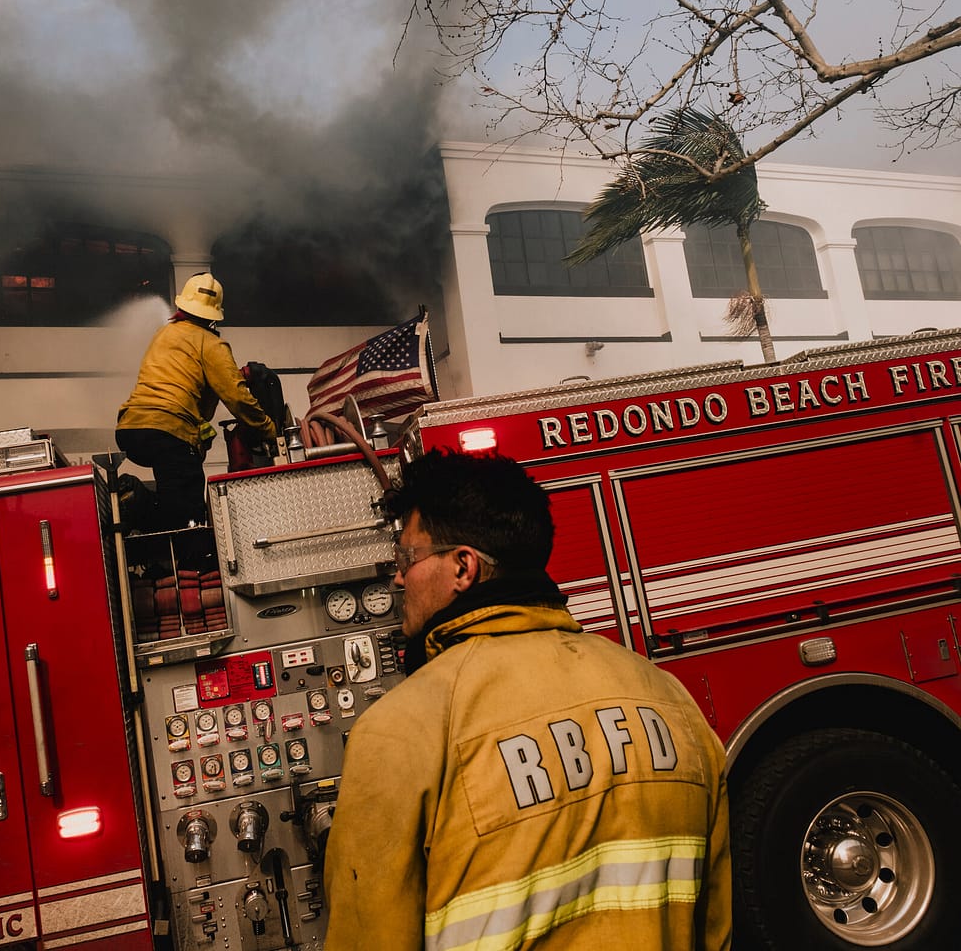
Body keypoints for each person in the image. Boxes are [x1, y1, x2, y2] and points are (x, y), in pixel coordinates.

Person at [323, 450, 731, 950]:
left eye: (407, 558)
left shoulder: (400, 732)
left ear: (463, 568)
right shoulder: (670, 700)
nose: (398, 578)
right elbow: (716, 928)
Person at [115, 273, 276, 531]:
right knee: (190, 516)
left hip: (132, 429)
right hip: (169, 432)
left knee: (173, 502)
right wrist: (269, 429)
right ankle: (137, 501)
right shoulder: (212, 344)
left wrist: (199, 430)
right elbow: (236, 397)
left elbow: (180, 390)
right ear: (214, 315)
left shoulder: (164, 334)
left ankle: (142, 515)